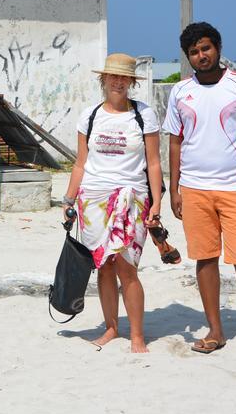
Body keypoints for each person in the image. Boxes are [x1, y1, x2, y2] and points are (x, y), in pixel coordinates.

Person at [163, 22, 236, 366]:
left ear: (217, 48)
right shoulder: (180, 92)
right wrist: (175, 188)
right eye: (194, 52)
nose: (202, 56)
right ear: (188, 57)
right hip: (195, 190)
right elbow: (175, 140)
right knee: (205, 259)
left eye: (206, 48)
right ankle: (215, 331)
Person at [62, 53, 164, 353]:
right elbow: (81, 163)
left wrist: (156, 204)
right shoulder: (89, 116)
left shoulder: (144, 115)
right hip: (92, 200)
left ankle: (137, 336)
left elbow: (155, 163)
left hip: (131, 198)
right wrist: (68, 200)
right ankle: (110, 328)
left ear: (132, 81)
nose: (118, 82)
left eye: (124, 77)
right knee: (103, 267)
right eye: (113, 76)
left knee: (127, 267)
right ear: (103, 80)